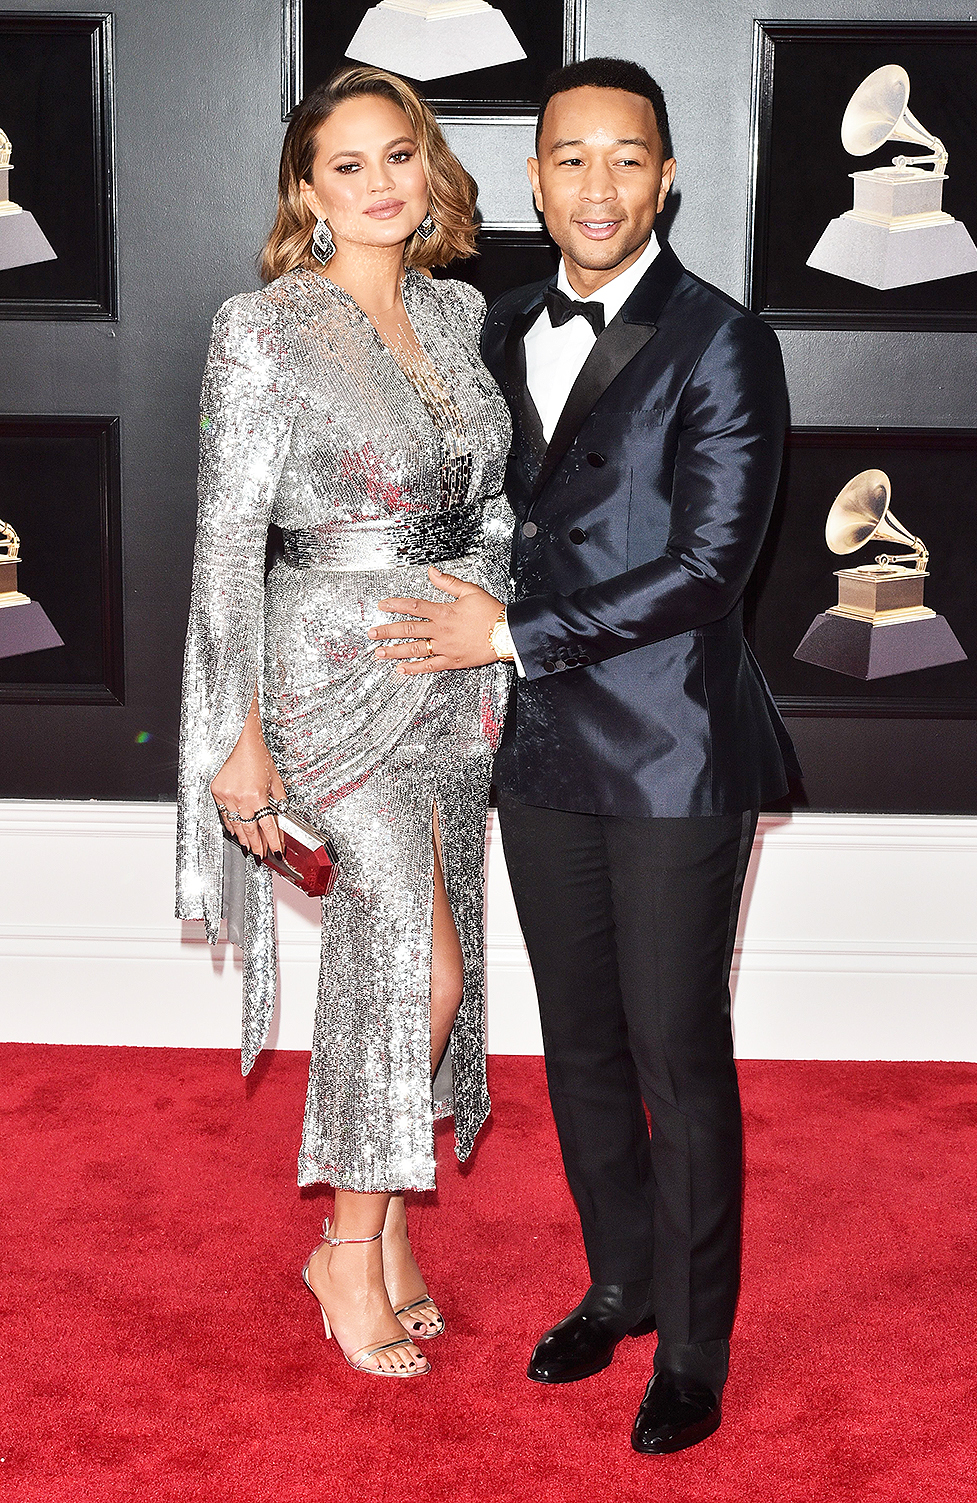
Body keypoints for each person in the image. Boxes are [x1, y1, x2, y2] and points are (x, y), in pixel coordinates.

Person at [368, 57, 799, 1445]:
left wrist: (505, 637)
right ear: (535, 176)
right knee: (580, 1047)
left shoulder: (725, 340)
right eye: (571, 158)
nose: (598, 184)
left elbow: (709, 567)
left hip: (673, 745)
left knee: (677, 1047)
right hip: (541, 749)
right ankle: (618, 1285)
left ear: (668, 175)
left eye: (628, 157)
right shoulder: (494, 328)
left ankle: (697, 1345)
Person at [175, 65, 513, 1378]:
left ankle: (379, 1228)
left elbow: (490, 506)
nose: (381, 184)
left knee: (446, 954)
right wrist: (233, 738)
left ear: (429, 171)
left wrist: (487, 608)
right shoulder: (262, 328)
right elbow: (222, 544)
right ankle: (348, 1251)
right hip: (324, 670)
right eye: (348, 165)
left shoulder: (461, 309)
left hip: (452, 670)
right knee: (408, 969)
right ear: (306, 194)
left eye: (399, 156)